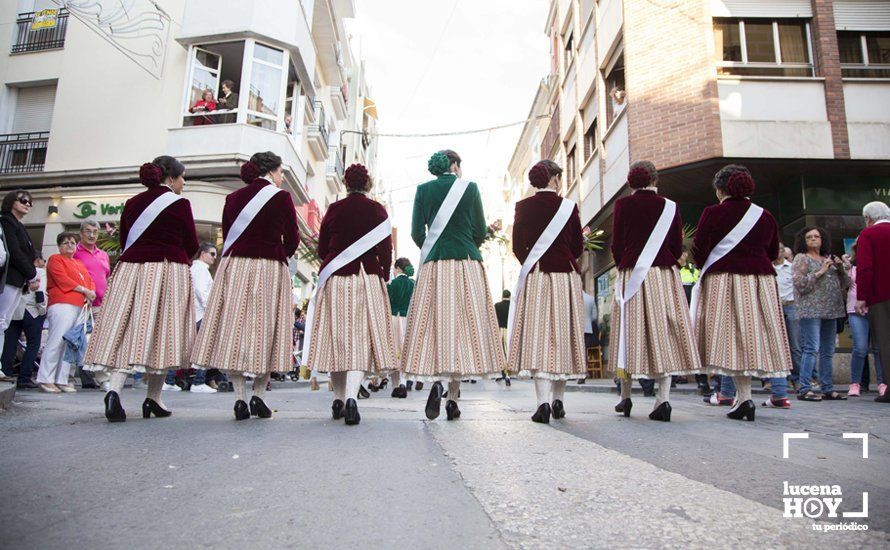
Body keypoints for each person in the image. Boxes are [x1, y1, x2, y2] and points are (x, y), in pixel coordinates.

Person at [83, 156, 199, 422]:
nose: (184, 182)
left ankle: (116, 391)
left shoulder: (133, 202)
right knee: (164, 332)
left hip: (131, 270)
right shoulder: (180, 203)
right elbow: (191, 243)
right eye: (182, 177)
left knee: (128, 329)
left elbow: (125, 240)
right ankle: (152, 397)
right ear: (171, 178)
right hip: (168, 270)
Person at [191, 152, 299, 420]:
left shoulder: (233, 198)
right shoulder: (282, 197)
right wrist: (278, 252)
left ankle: (239, 398)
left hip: (236, 265)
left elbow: (229, 235)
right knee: (266, 329)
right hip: (269, 265)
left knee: (235, 329)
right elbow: (293, 238)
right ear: (272, 171)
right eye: (280, 171)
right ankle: (258, 396)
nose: (282, 176)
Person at [402, 150, 505, 420]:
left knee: (435, 327)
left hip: (434, 265)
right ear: (455, 165)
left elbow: (416, 232)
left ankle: (437, 382)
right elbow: (480, 230)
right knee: (461, 330)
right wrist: (468, 242)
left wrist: (433, 247)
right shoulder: (469, 188)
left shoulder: (423, 190)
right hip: (466, 264)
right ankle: (452, 398)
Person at [693, 165, 791, 421]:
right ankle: (747, 397)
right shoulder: (765, 215)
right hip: (760, 283)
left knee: (730, 339)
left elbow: (699, 250)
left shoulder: (712, 213)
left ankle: (745, 397)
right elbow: (772, 252)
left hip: (723, 280)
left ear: (720, 189)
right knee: (754, 336)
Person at [610, 161, 701, 422]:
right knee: (665, 332)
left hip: (632, 274)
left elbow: (616, 244)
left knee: (628, 332)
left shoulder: (622, 205)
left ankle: (625, 397)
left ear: (631, 182)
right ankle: (663, 399)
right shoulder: (670, 206)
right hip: (663, 274)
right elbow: (675, 245)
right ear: (655, 180)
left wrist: (625, 263)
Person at [304, 164, 395, 425]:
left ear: (345, 184)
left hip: (336, 277)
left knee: (337, 339)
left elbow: (322, 248)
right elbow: (386, 250)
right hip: (366, 277)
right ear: (368, 184)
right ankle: (352, 398)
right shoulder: (378, 209)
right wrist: (384, 275)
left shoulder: (333, 209)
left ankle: (339, 399)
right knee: (359, 340)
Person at [508, 160, 585, 423]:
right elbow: (577, 246)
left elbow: (518, 246)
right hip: (565, 276)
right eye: (559, 178)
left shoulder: (523, 207)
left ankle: (541, 404)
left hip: (537, 275)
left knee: (539, 338)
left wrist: (532, 263)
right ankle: (558, 401)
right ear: (554, 179)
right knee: (562, 336)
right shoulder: (569, 206)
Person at [792, 226, 850, 402]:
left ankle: (827, 388)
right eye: (809, 237)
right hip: (811, 310)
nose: (813, 239)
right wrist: (820, 272)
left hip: (831, 310)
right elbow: (800, 284)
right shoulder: (802, 258)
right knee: (811, 348)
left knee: (828, 351)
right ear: (803, 240)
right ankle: (804, 388)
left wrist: (840, 268)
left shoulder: (828, 258)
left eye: (817, 236)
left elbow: (847, 283)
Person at [35, 233, 96, 393]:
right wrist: (85, 290)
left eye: (73, 243)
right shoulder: (56, 259)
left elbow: (90, 281)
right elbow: (62, 279)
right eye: (65, 242)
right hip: (62, 303)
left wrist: (91, 293)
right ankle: (46, 378)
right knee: (57, 340)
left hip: (80, 305)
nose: (70, 245)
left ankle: (61, 379)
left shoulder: (78, 263)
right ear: (59, 245)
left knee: (71, 343)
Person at [855, 201, 890, 402]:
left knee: (886, 342)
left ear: (868, 218)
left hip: (881, 295)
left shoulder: (868, 235)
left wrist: (862, 297)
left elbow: (865, 268)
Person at [73, 220, 112, 390]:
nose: (91, 235)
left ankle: (100, 378)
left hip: (101, 304)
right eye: (88, 231)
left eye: (95, 232)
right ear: (81, 233)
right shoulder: (74, 252)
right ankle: (76, 376)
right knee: (79, 340)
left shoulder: (103, 254)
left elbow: (106, 277)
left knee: (99, 342)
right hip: (82, 303)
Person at [845, 242, 885, 398]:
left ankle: (882, 383)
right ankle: (855, 383)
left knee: (878, 348)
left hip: (876, 308)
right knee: (860, 348)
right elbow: (844, 285)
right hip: (855, 309)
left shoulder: (880, 264)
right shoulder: (852, 266)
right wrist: (845, 269)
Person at [1, 256, 46, 388]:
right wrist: (42, 310)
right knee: (33, 344)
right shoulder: (39, 271)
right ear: (37, 260)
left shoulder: (20, 271)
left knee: (11, 342)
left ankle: (5, 371)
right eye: (43, 260)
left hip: (16, 310)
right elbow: (40, 291)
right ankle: (24, 377)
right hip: (33, 312)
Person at [0, 190, 39, 340]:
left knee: (4, 322)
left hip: (17, 280)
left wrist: (31, 275)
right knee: (2, 320)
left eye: (30, 202)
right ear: (11, 202)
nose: (28, 204)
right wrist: (32, 274)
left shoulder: (18, 225)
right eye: (23, 200)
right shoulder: (6, 222)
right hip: (8, 278)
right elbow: (14, 252)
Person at [188, 242, 217, 393]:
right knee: (205, 348)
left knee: (192, 348)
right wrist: (210, 309)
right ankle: (198, 382)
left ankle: (170, 379)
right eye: (212, 254)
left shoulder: (199, 269)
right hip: (201, 314)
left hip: (198, 313)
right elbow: (201, 291)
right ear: (203, 254)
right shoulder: (200, 269)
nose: (214, 257)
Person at [773, 243, 801, 391]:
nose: (778, 252)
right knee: (774, 345)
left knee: (795, 345)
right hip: (773, 307)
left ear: (784, 252)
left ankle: (797, 379)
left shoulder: (792, 268)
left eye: (781, 249)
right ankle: (772, 380)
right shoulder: (767, 268)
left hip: (791, 306)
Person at [387, 257, 415, 397]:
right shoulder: (413, 284)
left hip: (394, 319)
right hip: (408, 321)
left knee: (393, 353)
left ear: (398, 268)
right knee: (405, 353)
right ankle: (404, 383)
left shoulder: (392, 283)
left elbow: (386, 301)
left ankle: (395, 386)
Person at [493, 289, 512, 386]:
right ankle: (508, 374)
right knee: (508, 353)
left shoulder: (497, 306)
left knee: (500, 353)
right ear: (509, 296)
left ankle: (500, 373)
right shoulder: (512, 306)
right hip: (509, 331)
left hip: (500, 330)